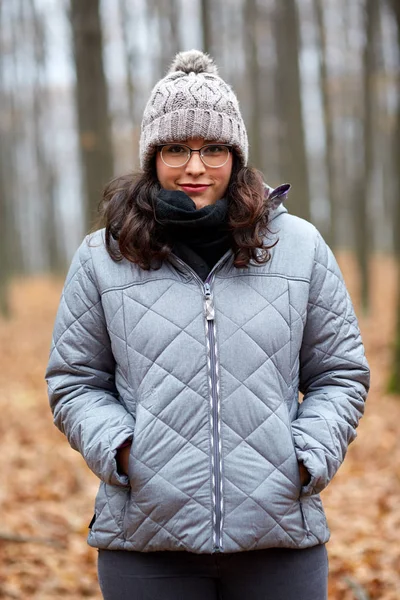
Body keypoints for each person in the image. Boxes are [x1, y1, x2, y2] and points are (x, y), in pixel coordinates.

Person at [46, 50, 370, 600]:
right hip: (145, 546)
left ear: (236, 155)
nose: (195, 167)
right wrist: (125, 451)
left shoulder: (298, 249)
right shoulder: (103, 257)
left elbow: (340, 373)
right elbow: (74, 382)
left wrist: (304, 458)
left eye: (213, 149)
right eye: (176, 149)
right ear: (153, 156)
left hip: (279, 544)